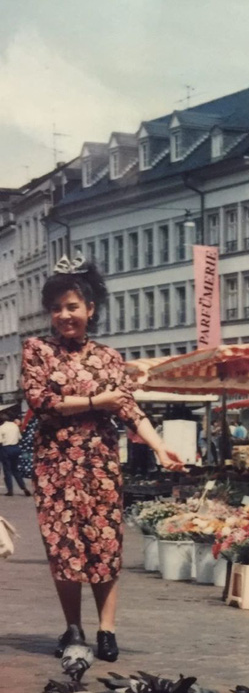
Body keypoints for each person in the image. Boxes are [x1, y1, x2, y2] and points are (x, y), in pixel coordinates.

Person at [21, 257, 186, 662]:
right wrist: (97, 401)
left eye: (72, 306)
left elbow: (129, 408)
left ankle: (107, 630)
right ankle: (73, 628)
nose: (64, 315)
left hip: (100, 465)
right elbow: (42, 402)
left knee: (105, 546)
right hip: (55, 465)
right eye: (56, 308)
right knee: (64, 548)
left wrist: (159, 446)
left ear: (90, 309)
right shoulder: (37, 350)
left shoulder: (109, 358)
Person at [0, 413, 31, 496]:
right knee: (15, 469)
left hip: (6, 449)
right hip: (16, 448)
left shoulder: (1, 428)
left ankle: (10, 490)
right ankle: (24, 487)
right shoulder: (14, 426)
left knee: (7, 471)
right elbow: (19, 437)